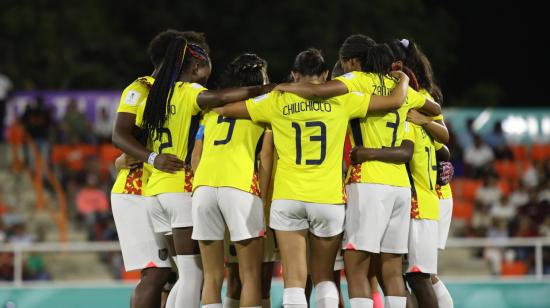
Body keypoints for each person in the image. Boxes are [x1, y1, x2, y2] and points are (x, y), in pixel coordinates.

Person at [216, 48, 410, 308]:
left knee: (294, 280)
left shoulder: (277, 101)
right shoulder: (343, 100)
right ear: (327, 74)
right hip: (327, 199)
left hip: (287, 197)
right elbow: (395, 101)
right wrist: (404, 79)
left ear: (295, 74)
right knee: (323, 277)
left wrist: (268, 90)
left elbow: (225, 110)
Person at [275, 36, 441, 308]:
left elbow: (319, 92)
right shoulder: (399, 87)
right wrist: (404, 82)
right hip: (400, 187)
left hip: (368, 181)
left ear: (353, 62)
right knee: (391, 270)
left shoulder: (356, 83)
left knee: (356, 268)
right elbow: (434, 109)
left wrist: (283, 87)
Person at [113, 31, 274, 308]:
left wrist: (147, 158)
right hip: (171, 186)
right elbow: (217, 99)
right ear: (194, 66)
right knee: (187, 274)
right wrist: (264, 90)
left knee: (175, 275)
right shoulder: (175, 91)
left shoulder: (161, 95)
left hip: (155, 190)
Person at [190, 53, 274, 308]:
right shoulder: (263, 108)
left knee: (213, 276)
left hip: (203, 188)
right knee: (250, 276)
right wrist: (264, 198)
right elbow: (267, 156)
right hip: (239, 187)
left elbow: (196, 155)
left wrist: (199, 184)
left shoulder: (212, 110)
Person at [110, 30, 179, 308]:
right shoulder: (142, 89)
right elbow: (121, 138)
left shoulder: (181, 94)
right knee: (157, 270)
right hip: (137, 188)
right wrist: (151, 158)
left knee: (173, 272)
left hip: (163, 191)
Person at [387, 37, 454, 308]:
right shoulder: (424, 96)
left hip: (422, 194)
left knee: (418, 275)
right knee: (415, 274)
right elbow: (444, 147)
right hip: (428, 191)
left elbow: (441, 141)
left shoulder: (413, 98)